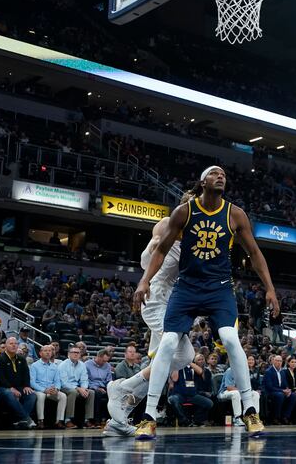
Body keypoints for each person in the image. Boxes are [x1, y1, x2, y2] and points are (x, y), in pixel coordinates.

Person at [132, 166, 280, 439]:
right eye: (214, 173)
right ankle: (149, 415)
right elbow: (161, 250)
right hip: (187, 287)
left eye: (223, 174)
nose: (220, 176)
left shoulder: (235, 214)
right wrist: (144, 281)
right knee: (168, 342)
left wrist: (270, 288)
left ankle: (249, 410)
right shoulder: (184, 212)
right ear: (202, 182)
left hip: (219, 288)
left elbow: (255, 253)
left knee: (231, 339)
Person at [106, 192, 197, 437]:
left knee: (169, 360)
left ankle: (118, 415)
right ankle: (124, 389)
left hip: (175, 301)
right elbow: (146, 262)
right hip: (155, 297)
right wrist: (154, 247)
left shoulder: (197, 237)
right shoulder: (167, 224)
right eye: (193, 203)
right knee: (184, 354)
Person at [0, 336, 36, 428]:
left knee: (32, 395)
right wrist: (10, 388)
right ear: (6, 346)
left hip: (19, 387)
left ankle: (20, 420)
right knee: (9, 393)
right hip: (3, 387)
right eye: (11, 343)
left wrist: (27, 386)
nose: (14, 345)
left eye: (16, 343)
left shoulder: (21, 359)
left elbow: (26, 374)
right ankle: (26, 418)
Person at [29, 344, 67, 428]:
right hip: (39, 390)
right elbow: (32, 382)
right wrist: (44, 390)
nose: (48, 352)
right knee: (41, 396)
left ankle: (59, 421)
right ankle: (40, 421)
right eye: (45, 351)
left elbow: (57, 381)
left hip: (51, 390)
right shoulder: (34, 365)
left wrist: (56, 389)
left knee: (63, 396)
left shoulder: (55, 366)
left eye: (49, 351)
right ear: (40, 353)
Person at [58, 345, 95, 428]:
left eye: (78, 353)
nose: (76, 354)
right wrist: (78, 388)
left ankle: (87, 419)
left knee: (91, 392)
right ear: (69, 354)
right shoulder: (63, 365)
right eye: (73, 352)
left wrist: (84, 388)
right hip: (64, 387)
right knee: (73, 392)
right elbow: (64, 383)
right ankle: (68, 420)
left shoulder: (82, 365)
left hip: (78, 387)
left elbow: (84, 379)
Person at [168, 360, 214, 427]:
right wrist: (178, 364)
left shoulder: (192, 367)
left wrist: (188, 361)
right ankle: (184, 421)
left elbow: (200, 371)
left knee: (209, 403)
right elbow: (175, 379)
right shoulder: (176, 366)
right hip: (179, 394)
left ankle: (197, 420)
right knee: (173, 399)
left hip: (192, 395)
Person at [218, 363, 262, 427]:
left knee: (255, 394)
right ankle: (237, 418)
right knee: (236, 393)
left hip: (240, 392)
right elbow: (229, 387)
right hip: (224, 392)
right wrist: (243, 391)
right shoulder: (230, 371)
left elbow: (247, 386)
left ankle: (254, 417)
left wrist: (248, 391)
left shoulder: (245, 372)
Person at [262, 354, 296, 424]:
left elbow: (285, 384)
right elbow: (269, 387)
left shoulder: (282, 372)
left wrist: (287, 390)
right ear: (273, 361)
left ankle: (285, 416)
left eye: (280, 361)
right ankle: (276, 417)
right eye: (277, 361)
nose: (279, 362)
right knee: (280, 395)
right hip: (271, 392)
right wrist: (283, 391)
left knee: (293, 395)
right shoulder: (268, 371)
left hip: (280, 391)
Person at [85, 349, 113, 425]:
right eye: (103, 361)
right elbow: (86, 380)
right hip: (92, 387)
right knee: (98, 393)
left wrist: (110, 387)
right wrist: (96, 388)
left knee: (113, 394)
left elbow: (109, 380)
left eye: (106, 361)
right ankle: (96, 420)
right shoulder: (87, 364)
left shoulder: (107, 365)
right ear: (98, 357)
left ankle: (109, 420)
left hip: (104, 387)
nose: (105, 363)